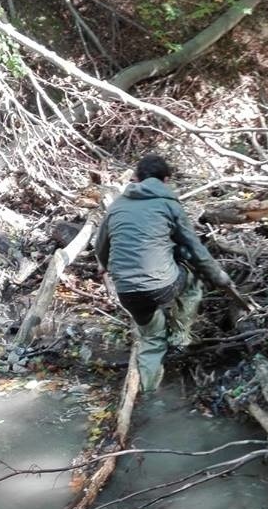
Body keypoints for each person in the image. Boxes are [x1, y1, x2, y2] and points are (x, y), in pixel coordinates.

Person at [94, 152, 245, 391]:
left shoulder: (117, 206)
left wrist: (104, 266)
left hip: (127, 292)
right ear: (166, 180)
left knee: (151, 339)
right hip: (164, 287)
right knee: (193, 280)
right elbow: (195, 249)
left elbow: (100, 247)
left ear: (136, 178)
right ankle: (180, 337)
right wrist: (219, 277)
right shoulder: (169, 204)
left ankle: (150, 395)